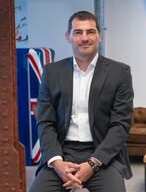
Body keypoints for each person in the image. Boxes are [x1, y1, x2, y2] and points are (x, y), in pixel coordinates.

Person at [29, 11, 134, 192]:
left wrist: (92, 164)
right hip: (62, 152)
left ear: (99, 36)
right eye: (78, 32)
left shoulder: (119, 72)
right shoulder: (52, 73)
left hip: (101, 154)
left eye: (90, 32)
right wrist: (56, 162)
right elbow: (45, 122)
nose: (84, 38)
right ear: (68, 37)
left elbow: (120, 126)